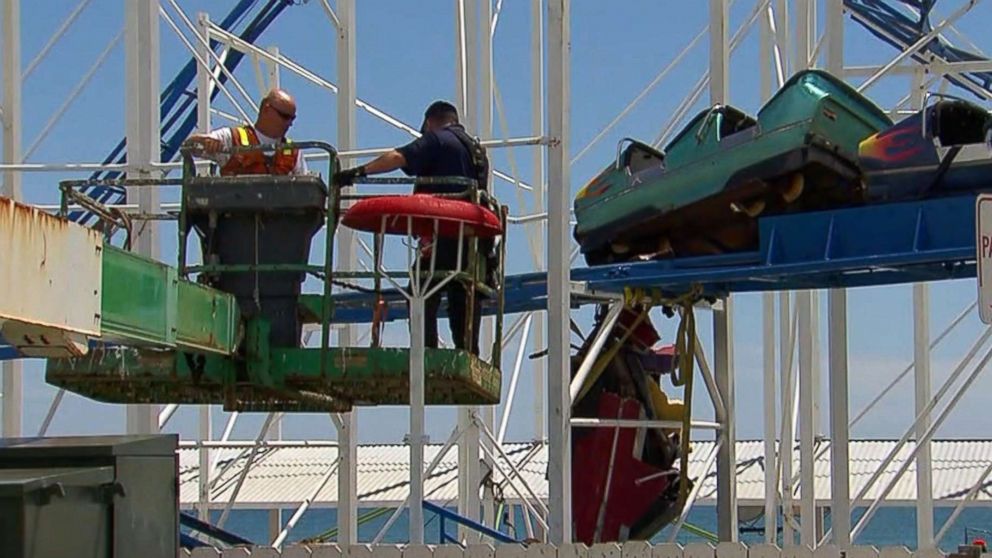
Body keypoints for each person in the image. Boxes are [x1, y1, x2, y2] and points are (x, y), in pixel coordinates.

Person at [335, 100, 490, 355]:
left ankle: (424, 351)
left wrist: (357, 173)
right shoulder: (476, 150)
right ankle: (468, 353)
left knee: (419, 292)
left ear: (430, 122)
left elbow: (398, 157)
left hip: (444, 232)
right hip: (473, 240)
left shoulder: (437, 139)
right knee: (462, 297)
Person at [184, 88, 307, 175]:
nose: (289, 123)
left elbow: (305, 191)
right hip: (236, 210)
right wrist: (205, 142)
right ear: (266, 109)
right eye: (285, 116)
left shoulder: (294, 152)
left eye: (292, 118)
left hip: (280, 212)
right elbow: (191, 147)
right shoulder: (232, 138)